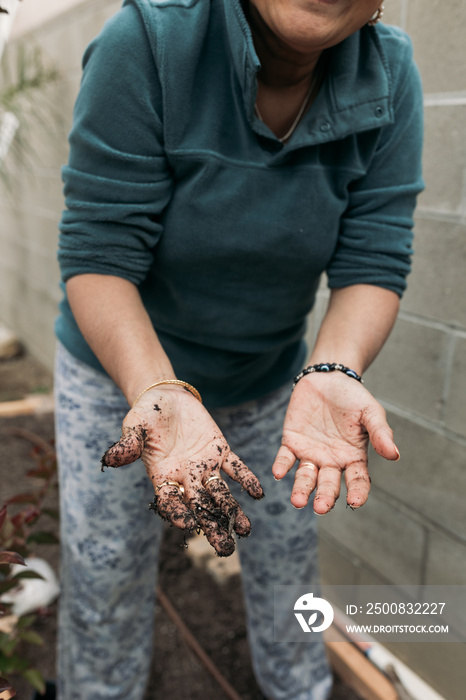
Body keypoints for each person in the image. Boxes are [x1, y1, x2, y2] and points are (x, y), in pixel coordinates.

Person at [54, 0, 424, 698]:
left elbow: (374, 259)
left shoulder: (390, 72)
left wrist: (335, 365)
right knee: (106, 573)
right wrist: (158, 390)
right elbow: (99, 256)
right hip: (122, 375)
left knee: (288, 576)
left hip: (272, 380)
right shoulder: (148, 41)